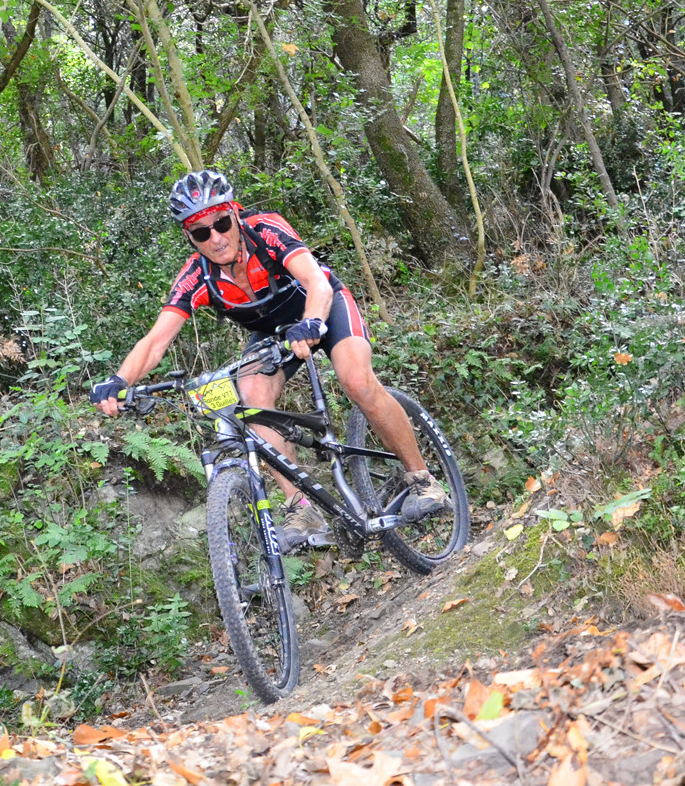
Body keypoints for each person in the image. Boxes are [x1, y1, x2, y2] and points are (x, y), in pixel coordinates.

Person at [90, 170, 447, 550]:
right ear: (189, 238)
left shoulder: (267, 231)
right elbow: (155, 341)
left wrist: (311, 322)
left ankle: (423, 480)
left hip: (323, 307)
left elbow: (317, 281)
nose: (215, 237)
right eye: (200, 232)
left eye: (222, 223)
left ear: (236, 215)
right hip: (275, 333)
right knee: (252, 393)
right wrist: (120, 380)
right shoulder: (198, 276)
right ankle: (301, 505)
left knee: (356, 379)